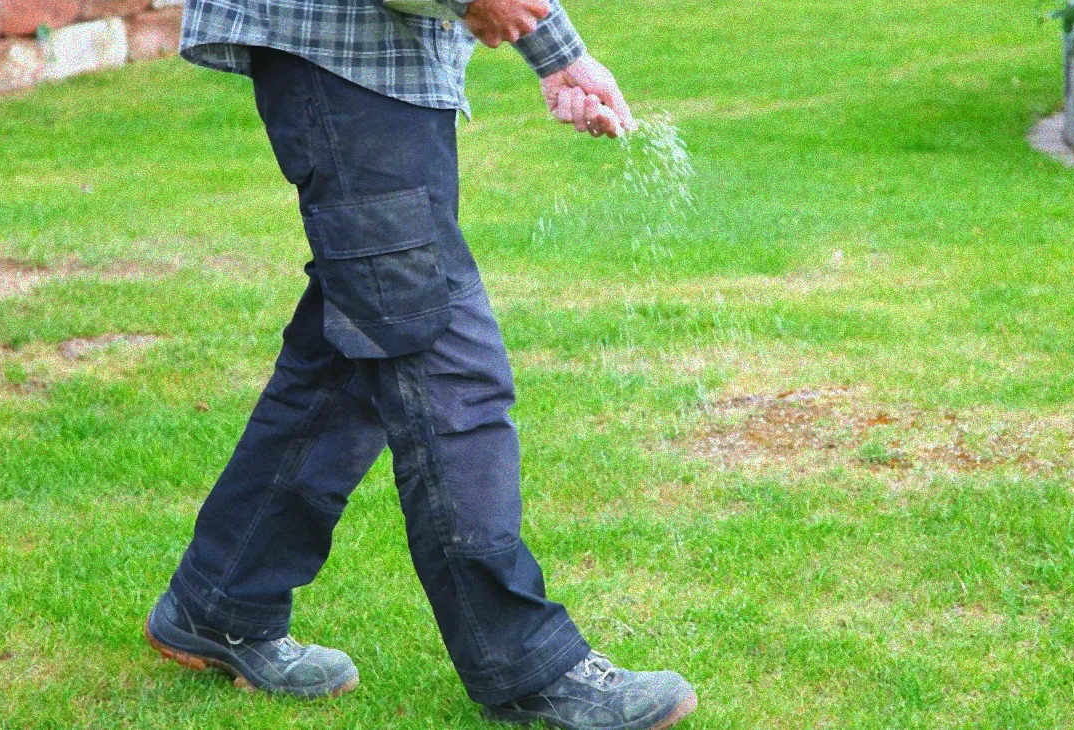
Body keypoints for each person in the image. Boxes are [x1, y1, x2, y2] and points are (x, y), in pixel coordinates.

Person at [141, 0, 698, 728]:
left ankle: (221, 599)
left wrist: (559, 52)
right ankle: (526, 663)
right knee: (442, 365)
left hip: (387, 63)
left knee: (351, 352)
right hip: (340, 55)